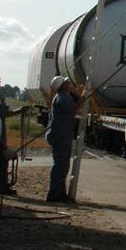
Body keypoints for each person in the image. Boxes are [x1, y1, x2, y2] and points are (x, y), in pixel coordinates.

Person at [46, 75, 78, 203]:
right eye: (67, 82)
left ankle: (60, 193)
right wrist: (84, 98)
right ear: (62, 86)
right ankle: (54, 194)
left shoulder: (64, 97)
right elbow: (72, 110)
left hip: (62, 135)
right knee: (60, 165)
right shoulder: (61, 99)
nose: (70, 83)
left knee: (63, 166)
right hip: (60, 136)